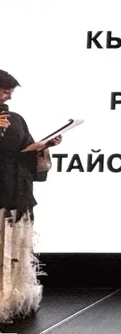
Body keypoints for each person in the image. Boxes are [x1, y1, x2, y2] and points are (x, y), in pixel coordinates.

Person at [0, 70, 62, 323]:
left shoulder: (15, 119)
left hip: (16, 191)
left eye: (10, 92)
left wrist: (44, 146)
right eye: (5, 92)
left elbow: (24, 149)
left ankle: (10, 298)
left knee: (13, 246)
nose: (8, 97)